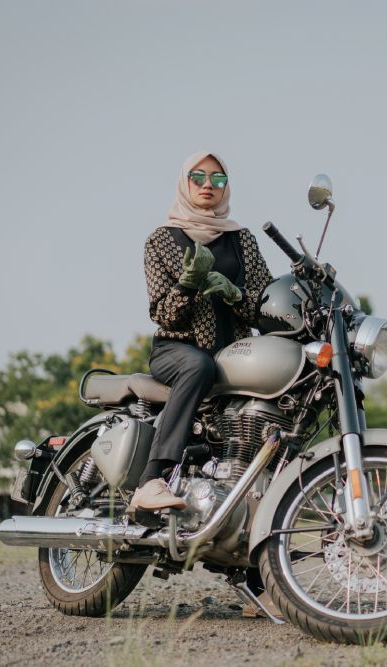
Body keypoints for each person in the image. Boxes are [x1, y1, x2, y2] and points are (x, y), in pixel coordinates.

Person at [129, 152, 273, 512]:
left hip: (235, 353)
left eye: (218, 179)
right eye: (198, 177)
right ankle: (152, 480)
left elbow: (267, 302)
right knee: (198, 365)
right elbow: (163, 314)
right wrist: (189, 285)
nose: (209, 185)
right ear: (185, 182)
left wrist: (236, 294)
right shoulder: (162, 240)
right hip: (178, 351)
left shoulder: (243, 240)